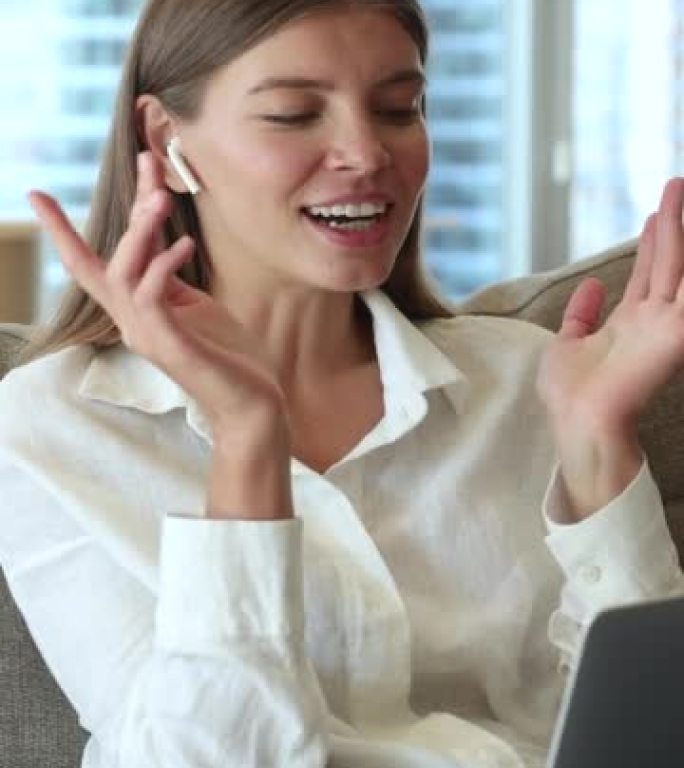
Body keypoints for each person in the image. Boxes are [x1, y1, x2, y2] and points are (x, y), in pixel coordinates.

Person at [1, 0, 683, 765]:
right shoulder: (52, 425)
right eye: (294, 115)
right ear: (166, 139)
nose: (366, 151)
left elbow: (643, 728)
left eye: (400, 108)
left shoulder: (530, 377)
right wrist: (247, 440)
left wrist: (597, 449)